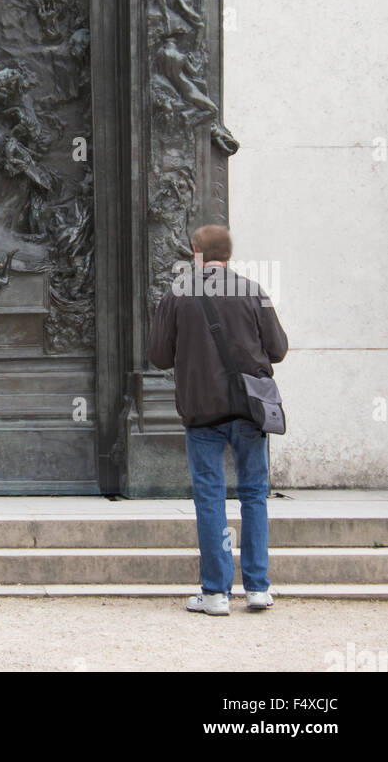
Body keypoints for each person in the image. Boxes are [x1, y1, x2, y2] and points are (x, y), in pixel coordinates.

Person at [146, 223, 288, 616]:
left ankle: (215, 594)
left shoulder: (178, 293)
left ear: (196, 252)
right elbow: (277, 350)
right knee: (254, 494)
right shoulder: (252, 291)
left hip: (201, 409)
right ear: (228, 254)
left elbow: (158, 356)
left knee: (210, 498)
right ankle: (258, 588)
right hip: (249, 410)